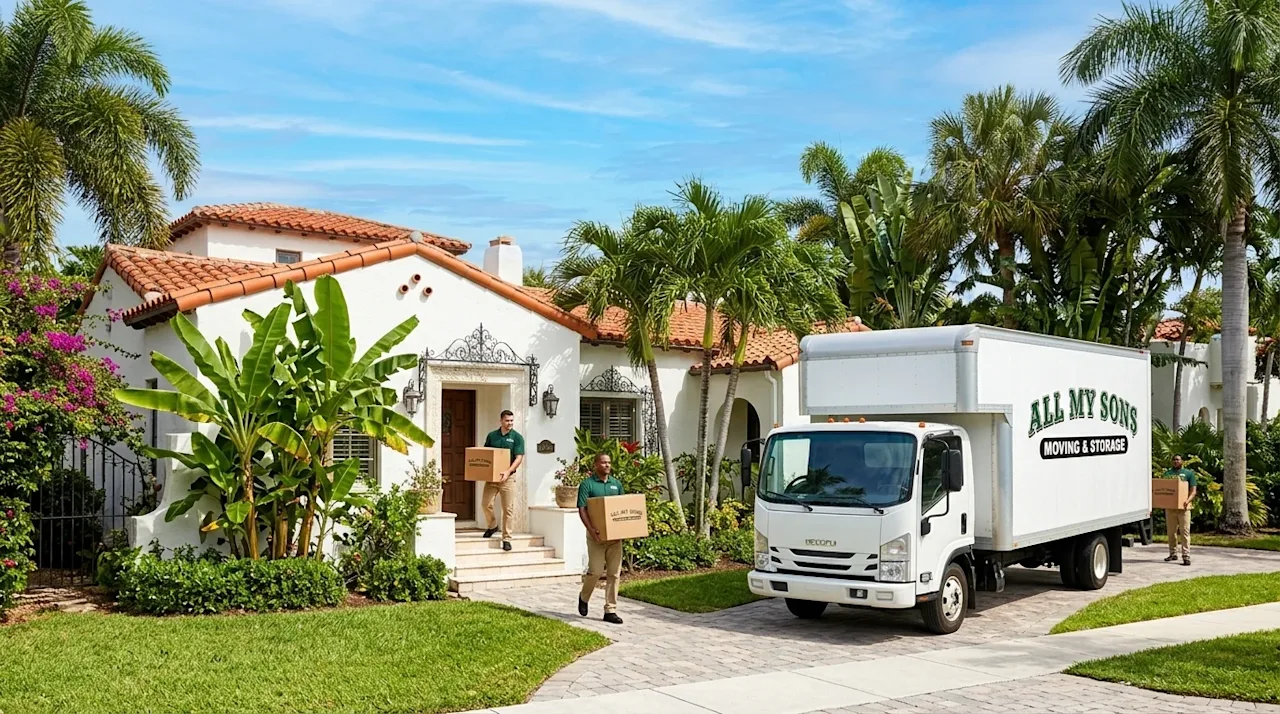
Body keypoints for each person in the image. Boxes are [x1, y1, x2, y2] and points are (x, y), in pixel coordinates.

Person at [577, 453, 625, 624]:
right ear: (596, 465)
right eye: (603, 463)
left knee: (614, 573)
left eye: (609, 463)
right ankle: (584, 597)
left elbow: (622, 509)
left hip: (615, 538)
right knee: (596, 571)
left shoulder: (616, 484)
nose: (607, 465)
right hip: (595, 537)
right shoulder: (587, 485)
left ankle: (610, 610)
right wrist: (591, 529)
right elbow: (582, 509)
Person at [481, 410, 525, 551]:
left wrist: (508, 471)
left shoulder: (517, 437)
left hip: (508, 477)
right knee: (485, 504)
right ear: (501, 421)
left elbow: (519, 458)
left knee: (508, 509)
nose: (510, 423)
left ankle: (506, 538)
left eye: (512, 421)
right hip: (492, 478)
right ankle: (493, 525)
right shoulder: (492, 436)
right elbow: (486, 454)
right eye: (507, 421)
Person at [1163, 455, 1198, 566]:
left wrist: (1187, 501)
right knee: (1171, 532)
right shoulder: (1168, 474)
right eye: (1174, 460)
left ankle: (1186, 555)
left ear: (1182, 461)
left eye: (1178, 459)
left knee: (1185, 531)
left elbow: (1193, 490)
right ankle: (1173, 553)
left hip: (1184, 508)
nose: (1175, 461)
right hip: (1171, 508)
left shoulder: (1188, 474)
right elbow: (1164, 489)